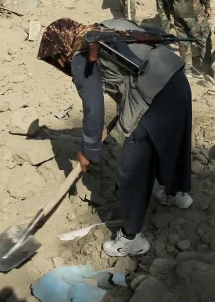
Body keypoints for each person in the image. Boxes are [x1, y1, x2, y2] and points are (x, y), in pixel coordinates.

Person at [37, 17, 193, 257]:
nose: (60, 64)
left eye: (57, 59)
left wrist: (89, 150)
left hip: (155, 98)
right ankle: (177, 193)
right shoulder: (107, 28)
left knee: (133, 170)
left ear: (62, 48)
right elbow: (151, 33)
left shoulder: (81, 56)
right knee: (172, 139)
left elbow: (94, 109)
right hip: (177, 81)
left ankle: (131, 239)